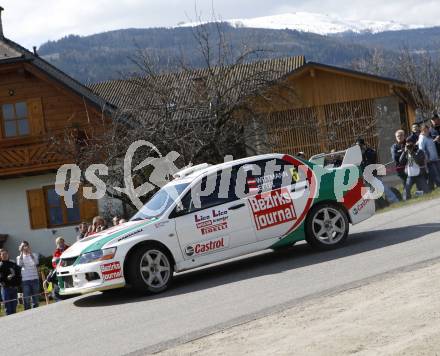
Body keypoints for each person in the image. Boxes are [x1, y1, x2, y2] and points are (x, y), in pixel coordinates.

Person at [16, 241, 40, 310]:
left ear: (29, 246)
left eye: (26, 245)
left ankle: (37, 311)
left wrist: (30, 253)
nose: (25, 247)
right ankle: (27, 313)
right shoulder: (19, 257)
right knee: (26, 299)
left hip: (35, 279)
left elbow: (36, 262)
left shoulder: (34, 254)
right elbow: (19, 264)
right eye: (23, 246)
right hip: (25, 280)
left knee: (35, 298)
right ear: (20, 247)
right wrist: (21, 252)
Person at [418, 124, 440, 189]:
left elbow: (430, 146)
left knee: (433, 174)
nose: (426, 132)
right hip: (430, 160)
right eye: (424, 130)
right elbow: (422, 150)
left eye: (427, 130)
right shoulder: (422, 139)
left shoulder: (428, 137)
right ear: (422, 131)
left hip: (435, 158)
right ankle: (439, 186)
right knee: (436, 174)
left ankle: (430, 187)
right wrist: (427, 158)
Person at [0, 249, 20, 315]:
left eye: (6, 254)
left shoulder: (13, 263)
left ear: (8, 255)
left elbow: (18, 274)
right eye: (3, 254)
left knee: (14, 307)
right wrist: (6, 279)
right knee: (8, 309)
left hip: (14, 288)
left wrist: (17, 284)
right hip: (6, 289)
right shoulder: (0, 265)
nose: (5, 255)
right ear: (1, 256)